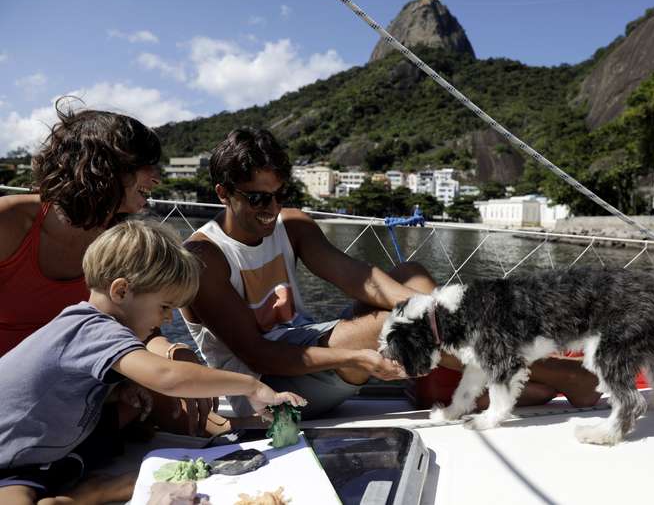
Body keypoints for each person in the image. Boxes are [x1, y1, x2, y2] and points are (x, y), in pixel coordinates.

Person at [182, 128, 601, 419]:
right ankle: (565, 375)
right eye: (257, 198)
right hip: (274, 386)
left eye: (279, 195)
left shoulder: (290, 225)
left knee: (414, 278)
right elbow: (259, 356)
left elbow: (359, 277)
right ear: (223, 193)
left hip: (308, 349)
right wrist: (354, 353)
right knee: (397, 321)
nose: (270, 209)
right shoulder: (206, 257)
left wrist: (440, 309)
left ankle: (471, 377)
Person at [0, 220, 306, 505]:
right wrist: (250, 386)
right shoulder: (92, 329)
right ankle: (92, 492)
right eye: (164, 306)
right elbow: (167, 376)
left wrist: (117, 394)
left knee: (130, 413)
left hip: (43, 449)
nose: (168, 318)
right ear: (121, 291)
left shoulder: (87, 326)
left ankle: (86, 490)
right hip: (9, 459)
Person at [0, 99, 218, 435]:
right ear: (104, 166)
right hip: (13, 397)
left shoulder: (120, 239)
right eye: (146, 166)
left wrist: (175, 351)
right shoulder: (10, 223)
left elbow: (138, 323)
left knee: (180, 404)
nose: (156, 178)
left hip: (80, 385)